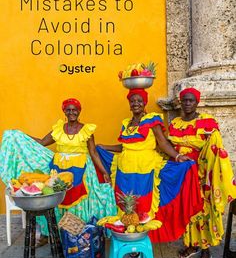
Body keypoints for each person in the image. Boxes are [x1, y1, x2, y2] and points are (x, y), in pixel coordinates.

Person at [0, 98, 117, 243]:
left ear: (79, 111)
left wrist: (104, 171)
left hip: (81, 169)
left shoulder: (86, 130)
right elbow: (43, 142)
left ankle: (78, 236)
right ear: (64, 112)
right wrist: (22, 135)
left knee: (77, 200)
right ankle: (63, 235)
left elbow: (93, 152)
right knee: (59, 198)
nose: (72, 112)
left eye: (74, 110)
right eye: (68, 110)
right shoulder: (58, 129)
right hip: (59, 169)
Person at [97, 88, 203, 243]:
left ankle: (142, 237)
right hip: (125, 171)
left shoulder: (152, 120)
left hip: (145, 170)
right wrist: (105, 147)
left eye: (139, 101)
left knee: (143, 204)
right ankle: (129, 234)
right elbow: (124, 146)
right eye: (132, 101)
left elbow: (162, 143)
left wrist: (178, 156)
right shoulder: (126, 124)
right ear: (129, 104)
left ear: (145, 103)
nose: (136, 104)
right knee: (126, 204)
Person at [168, 87, 236, 258]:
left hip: (201, 175)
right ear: (180, 102)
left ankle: (205, 250)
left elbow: (215, 147)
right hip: (181, 175)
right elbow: (169, 146)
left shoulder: (207, 123)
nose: (188, 103)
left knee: (202, 211)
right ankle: (191, 244)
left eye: (191, 100)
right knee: (187, 210)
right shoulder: (175, 123)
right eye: (185, 100)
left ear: (197, 102)